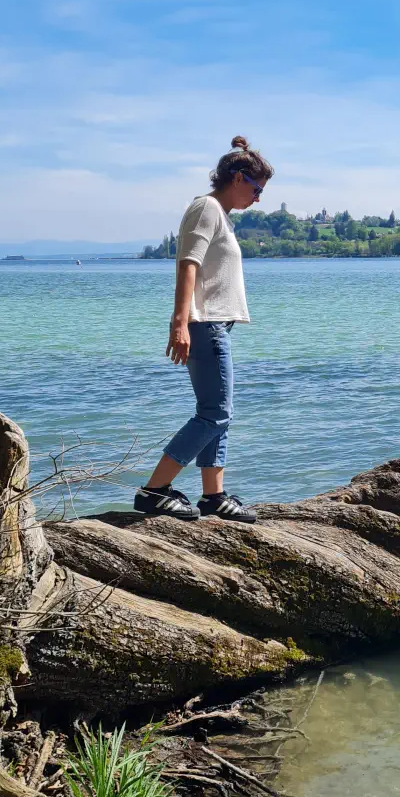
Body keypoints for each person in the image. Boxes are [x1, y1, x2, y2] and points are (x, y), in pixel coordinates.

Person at [134, 136, 274, 522]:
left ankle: (214, 497)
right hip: (205, 324)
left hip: (215, 326)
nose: (258, 198)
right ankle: (153, 491)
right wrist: (180, 321)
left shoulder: (219, 213)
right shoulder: (207, 207)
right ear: (238, 177)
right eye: (257, 189)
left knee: (217, 412)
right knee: (215, 414)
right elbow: (188, 264)